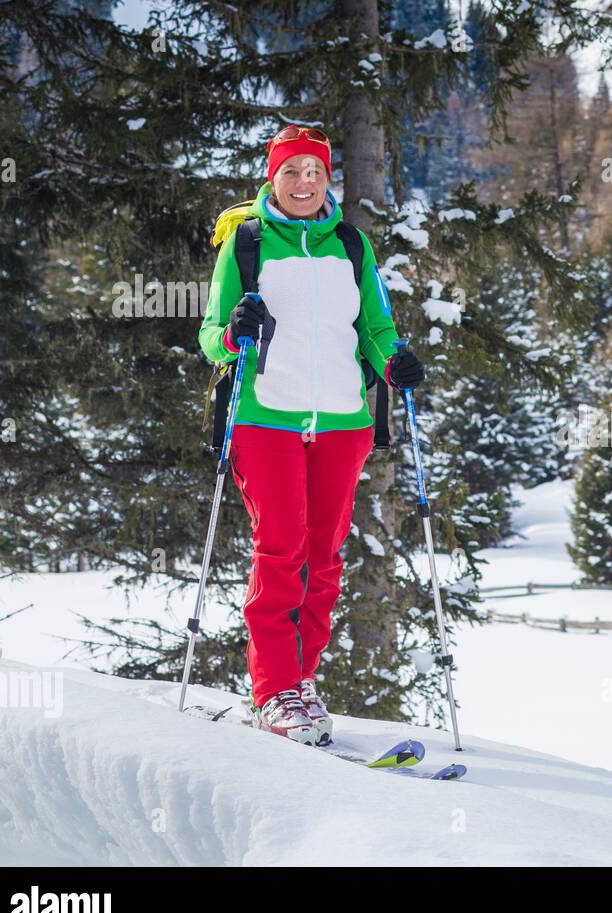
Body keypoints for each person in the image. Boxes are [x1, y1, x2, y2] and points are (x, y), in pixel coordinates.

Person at [198, 124, 424, 745]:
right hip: (265, 417)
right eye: (292, 170)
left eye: (315, 172)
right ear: (274, 177)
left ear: (330, 179)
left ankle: (301, 679)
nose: (304, 182)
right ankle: (273, 689)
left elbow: (375, 325)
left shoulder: (350, 244)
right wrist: (235, 330)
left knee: (322, 559)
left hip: (342, 422)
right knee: (282, 550)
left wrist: (393, 361)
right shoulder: (245, 243)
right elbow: (212, 334)